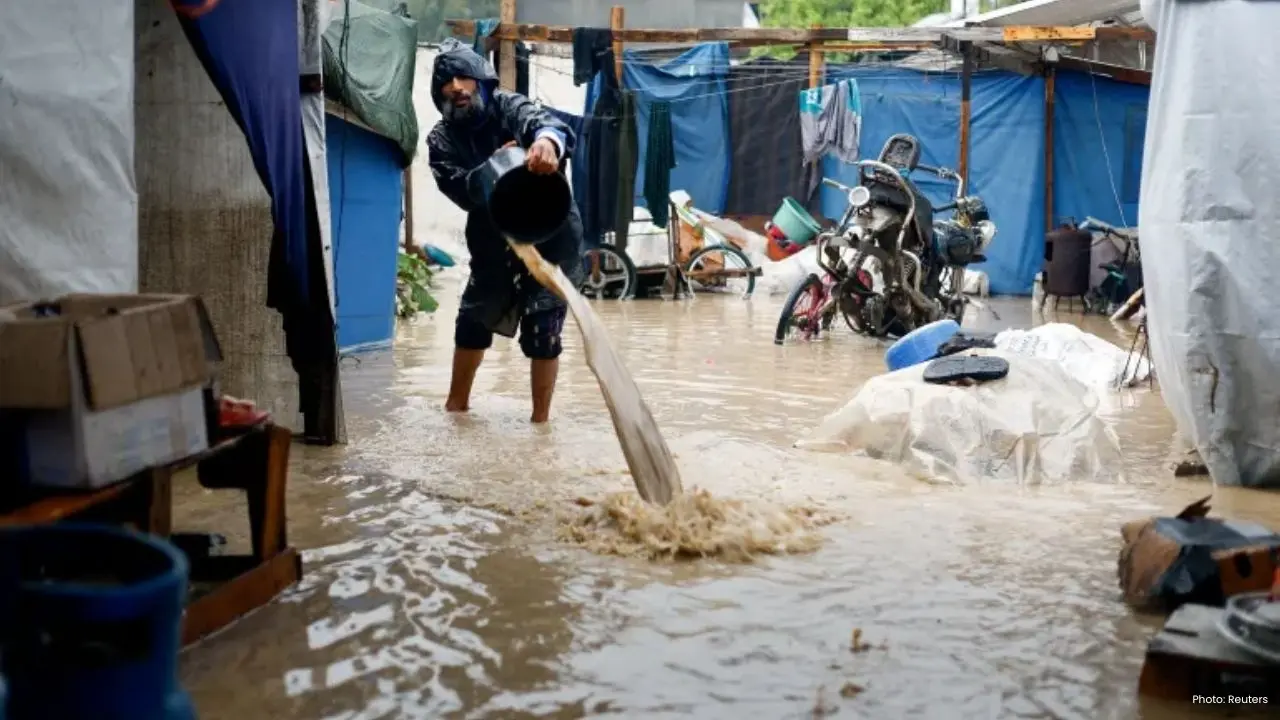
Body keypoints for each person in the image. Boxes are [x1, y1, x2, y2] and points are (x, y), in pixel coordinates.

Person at [426, 39, 585, 424]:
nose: (458, 88)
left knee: (544, 331)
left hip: (550, 231)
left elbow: (545, 124)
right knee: (472, 322)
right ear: (440, 94)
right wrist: (496, 165)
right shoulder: (441, 140)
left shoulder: (509, 106)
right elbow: (461, 189)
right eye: (448, 83)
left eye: (465, 77)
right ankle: (455, 410)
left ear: (482, 82)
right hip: (492, 235)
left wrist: (546, 143)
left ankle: (540, 424)